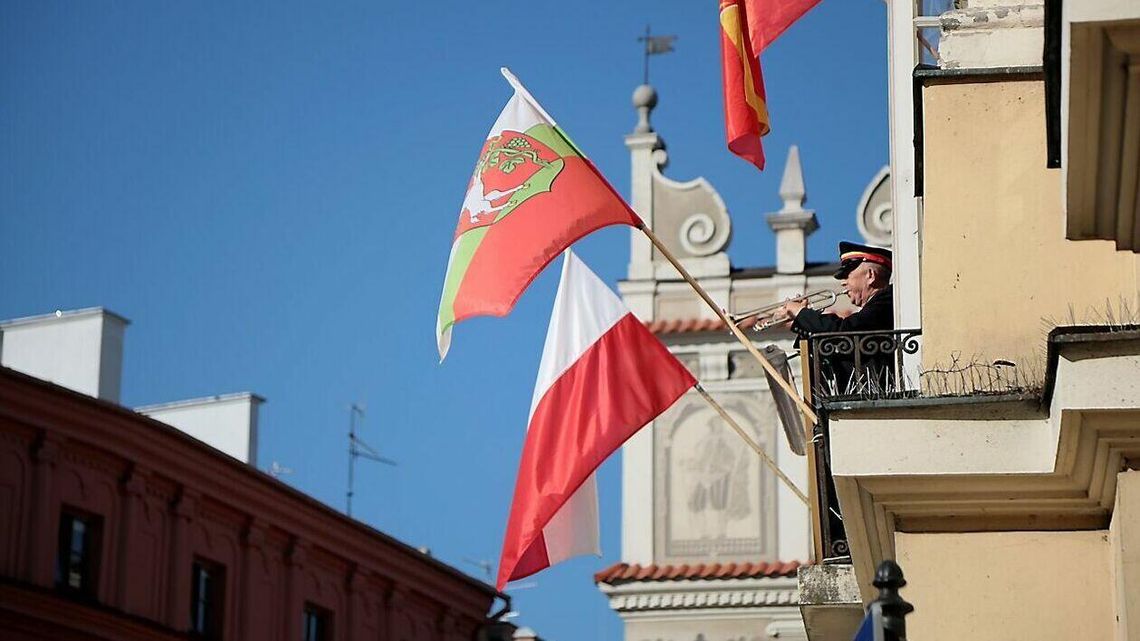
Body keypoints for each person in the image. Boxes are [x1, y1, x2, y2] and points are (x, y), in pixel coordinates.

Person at [780, 241, 894, 392]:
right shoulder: (875, 305)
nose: (843, 283)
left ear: (870, 275)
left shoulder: (886, 299)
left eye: (847, 275)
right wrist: (805, 318)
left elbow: (844, 331)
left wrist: (801, 313)